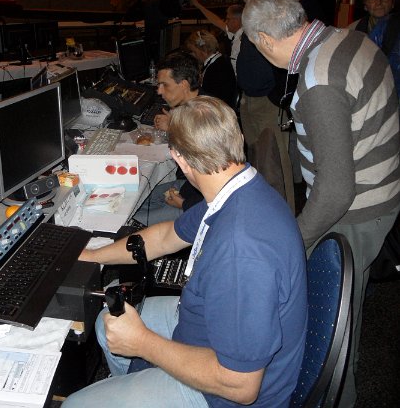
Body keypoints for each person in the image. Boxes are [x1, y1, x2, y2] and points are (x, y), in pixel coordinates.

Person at [63, 96, 308, 408]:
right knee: (105, 322)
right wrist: (92, 256)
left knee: (74, 405)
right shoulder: (236, 190)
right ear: (238, 138)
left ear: (179, 159)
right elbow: (166, 236)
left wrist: (143, 343)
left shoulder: (242, 251)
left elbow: (241, 386)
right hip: (210, 327)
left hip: (225, 393)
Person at [242, 0, 400, 408]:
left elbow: (334, 193)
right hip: (380, 189)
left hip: (357, 209)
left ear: (265, 40)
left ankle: (336, 398)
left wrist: (294, 240)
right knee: (347, 306)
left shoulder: (319, 79)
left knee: (330, 325)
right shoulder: (347, 37)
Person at [232, 0, 295, 211]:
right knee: (258, 165)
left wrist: (275, 97)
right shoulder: (254, 14)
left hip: (268, 103)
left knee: (275, 166)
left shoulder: (276, 11)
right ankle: (264, 215)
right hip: (250, 99)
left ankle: (285, 221)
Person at [133, 51, 203, 225]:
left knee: (132, 222)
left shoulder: (205, 118)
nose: (159, 91)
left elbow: (218, 183)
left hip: (199, 205)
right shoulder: (193, 107)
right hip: (189, 187)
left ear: (184, 84)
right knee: (135, 202)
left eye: (165, 85)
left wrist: (184, 204)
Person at [188, 0, 244, 75]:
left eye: (228, 19)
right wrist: (198, 5)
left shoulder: (242, 40)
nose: (226, 22)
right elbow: (216, 20)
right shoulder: (236, 32)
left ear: (236, 21)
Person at [184, 30, 236, 107]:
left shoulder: (217, 68)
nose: (193, 55)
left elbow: (211, 97)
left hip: (218, 108)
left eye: (193, 51)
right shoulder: (219, 61)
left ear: (203, 50)